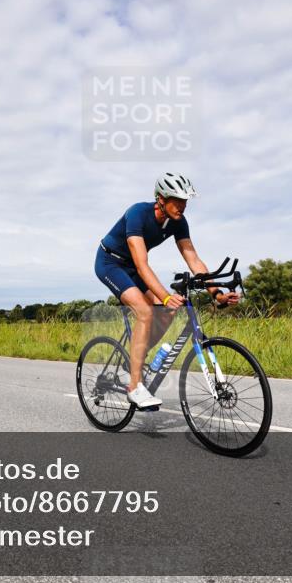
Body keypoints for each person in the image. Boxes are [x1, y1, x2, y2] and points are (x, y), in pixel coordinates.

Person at [94, 173, 240, 408]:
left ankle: (136, 359)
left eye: (185, 201)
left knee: (168, 311)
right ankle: (135, 387)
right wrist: (164, 296)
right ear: (161, 199)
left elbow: (193, 260)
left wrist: (216, 294)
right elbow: (142, 265)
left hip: (132, 267)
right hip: (110, 263)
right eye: (177, 200)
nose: (183, 206)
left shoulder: (179, 222)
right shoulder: (138, 213)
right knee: (145, 312)